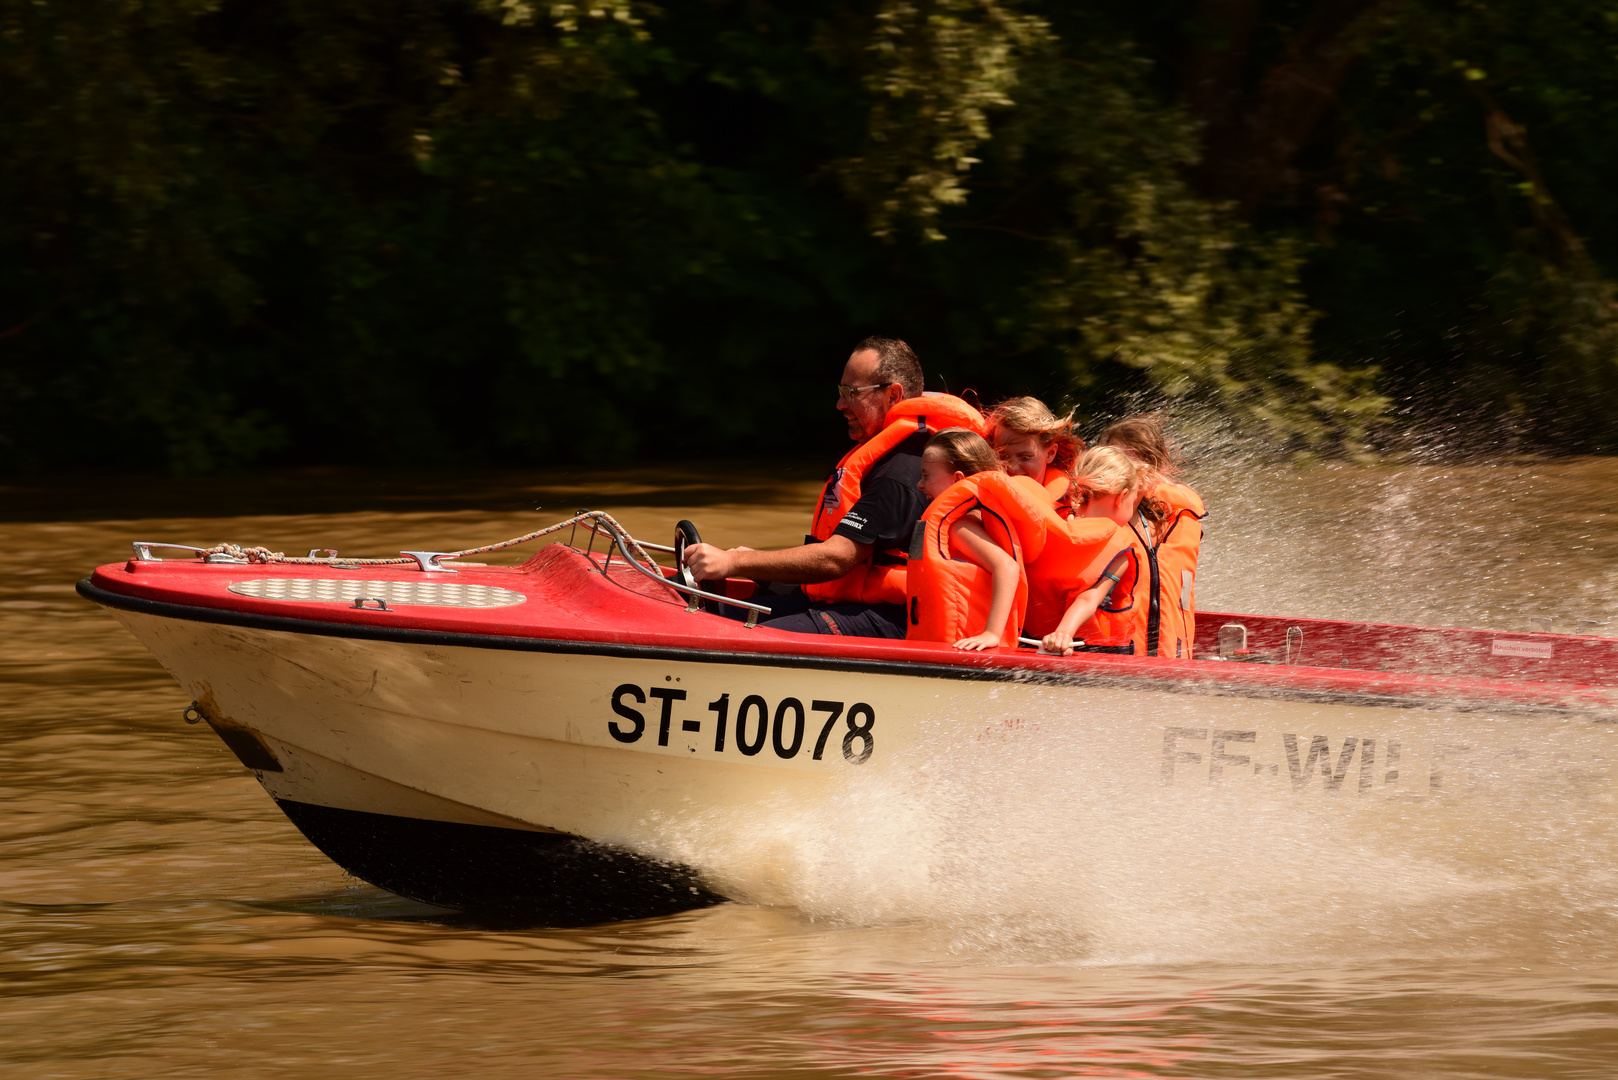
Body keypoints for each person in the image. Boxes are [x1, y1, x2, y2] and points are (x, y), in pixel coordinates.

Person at [682, 337, 985, 637]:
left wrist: (735, 561)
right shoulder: (890, 453)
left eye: (852, 392)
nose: (840, 404)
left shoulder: (903, 470)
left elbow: (836, 558)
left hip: (892, 616)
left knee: (737, 635)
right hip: (848, 600)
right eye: (842, 391)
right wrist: (751, 563)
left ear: (893, 395)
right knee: (719, 615)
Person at [906, 429, 1026, 650]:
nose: (919, 484)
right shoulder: (973, 518)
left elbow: (1007, 567)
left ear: (958, 479)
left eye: (926, 475)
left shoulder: (959, 527)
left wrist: (991, 634)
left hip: (963, 648)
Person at [1098, 415, 1206, 659]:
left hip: (1173, 660)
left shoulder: (1182, 517)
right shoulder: (1094, 515)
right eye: (1119, 460)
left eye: (1138, 461)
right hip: (1114, 658)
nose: (1131, 471)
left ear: (1156, 466)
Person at [1040, 446, 1164, 656]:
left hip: (1036, 639)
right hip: (1095, 648)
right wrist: (1063, 634)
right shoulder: (1120, 548)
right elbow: (1089, 597)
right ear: (1121, 497)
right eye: (1133, 501)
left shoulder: (1054, 525)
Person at [986, 397, 1084, 515]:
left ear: (1050, 453)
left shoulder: (1076, 509)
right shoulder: (978, 504)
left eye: (1025, 457)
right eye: (1002, 456)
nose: (1012, 468)